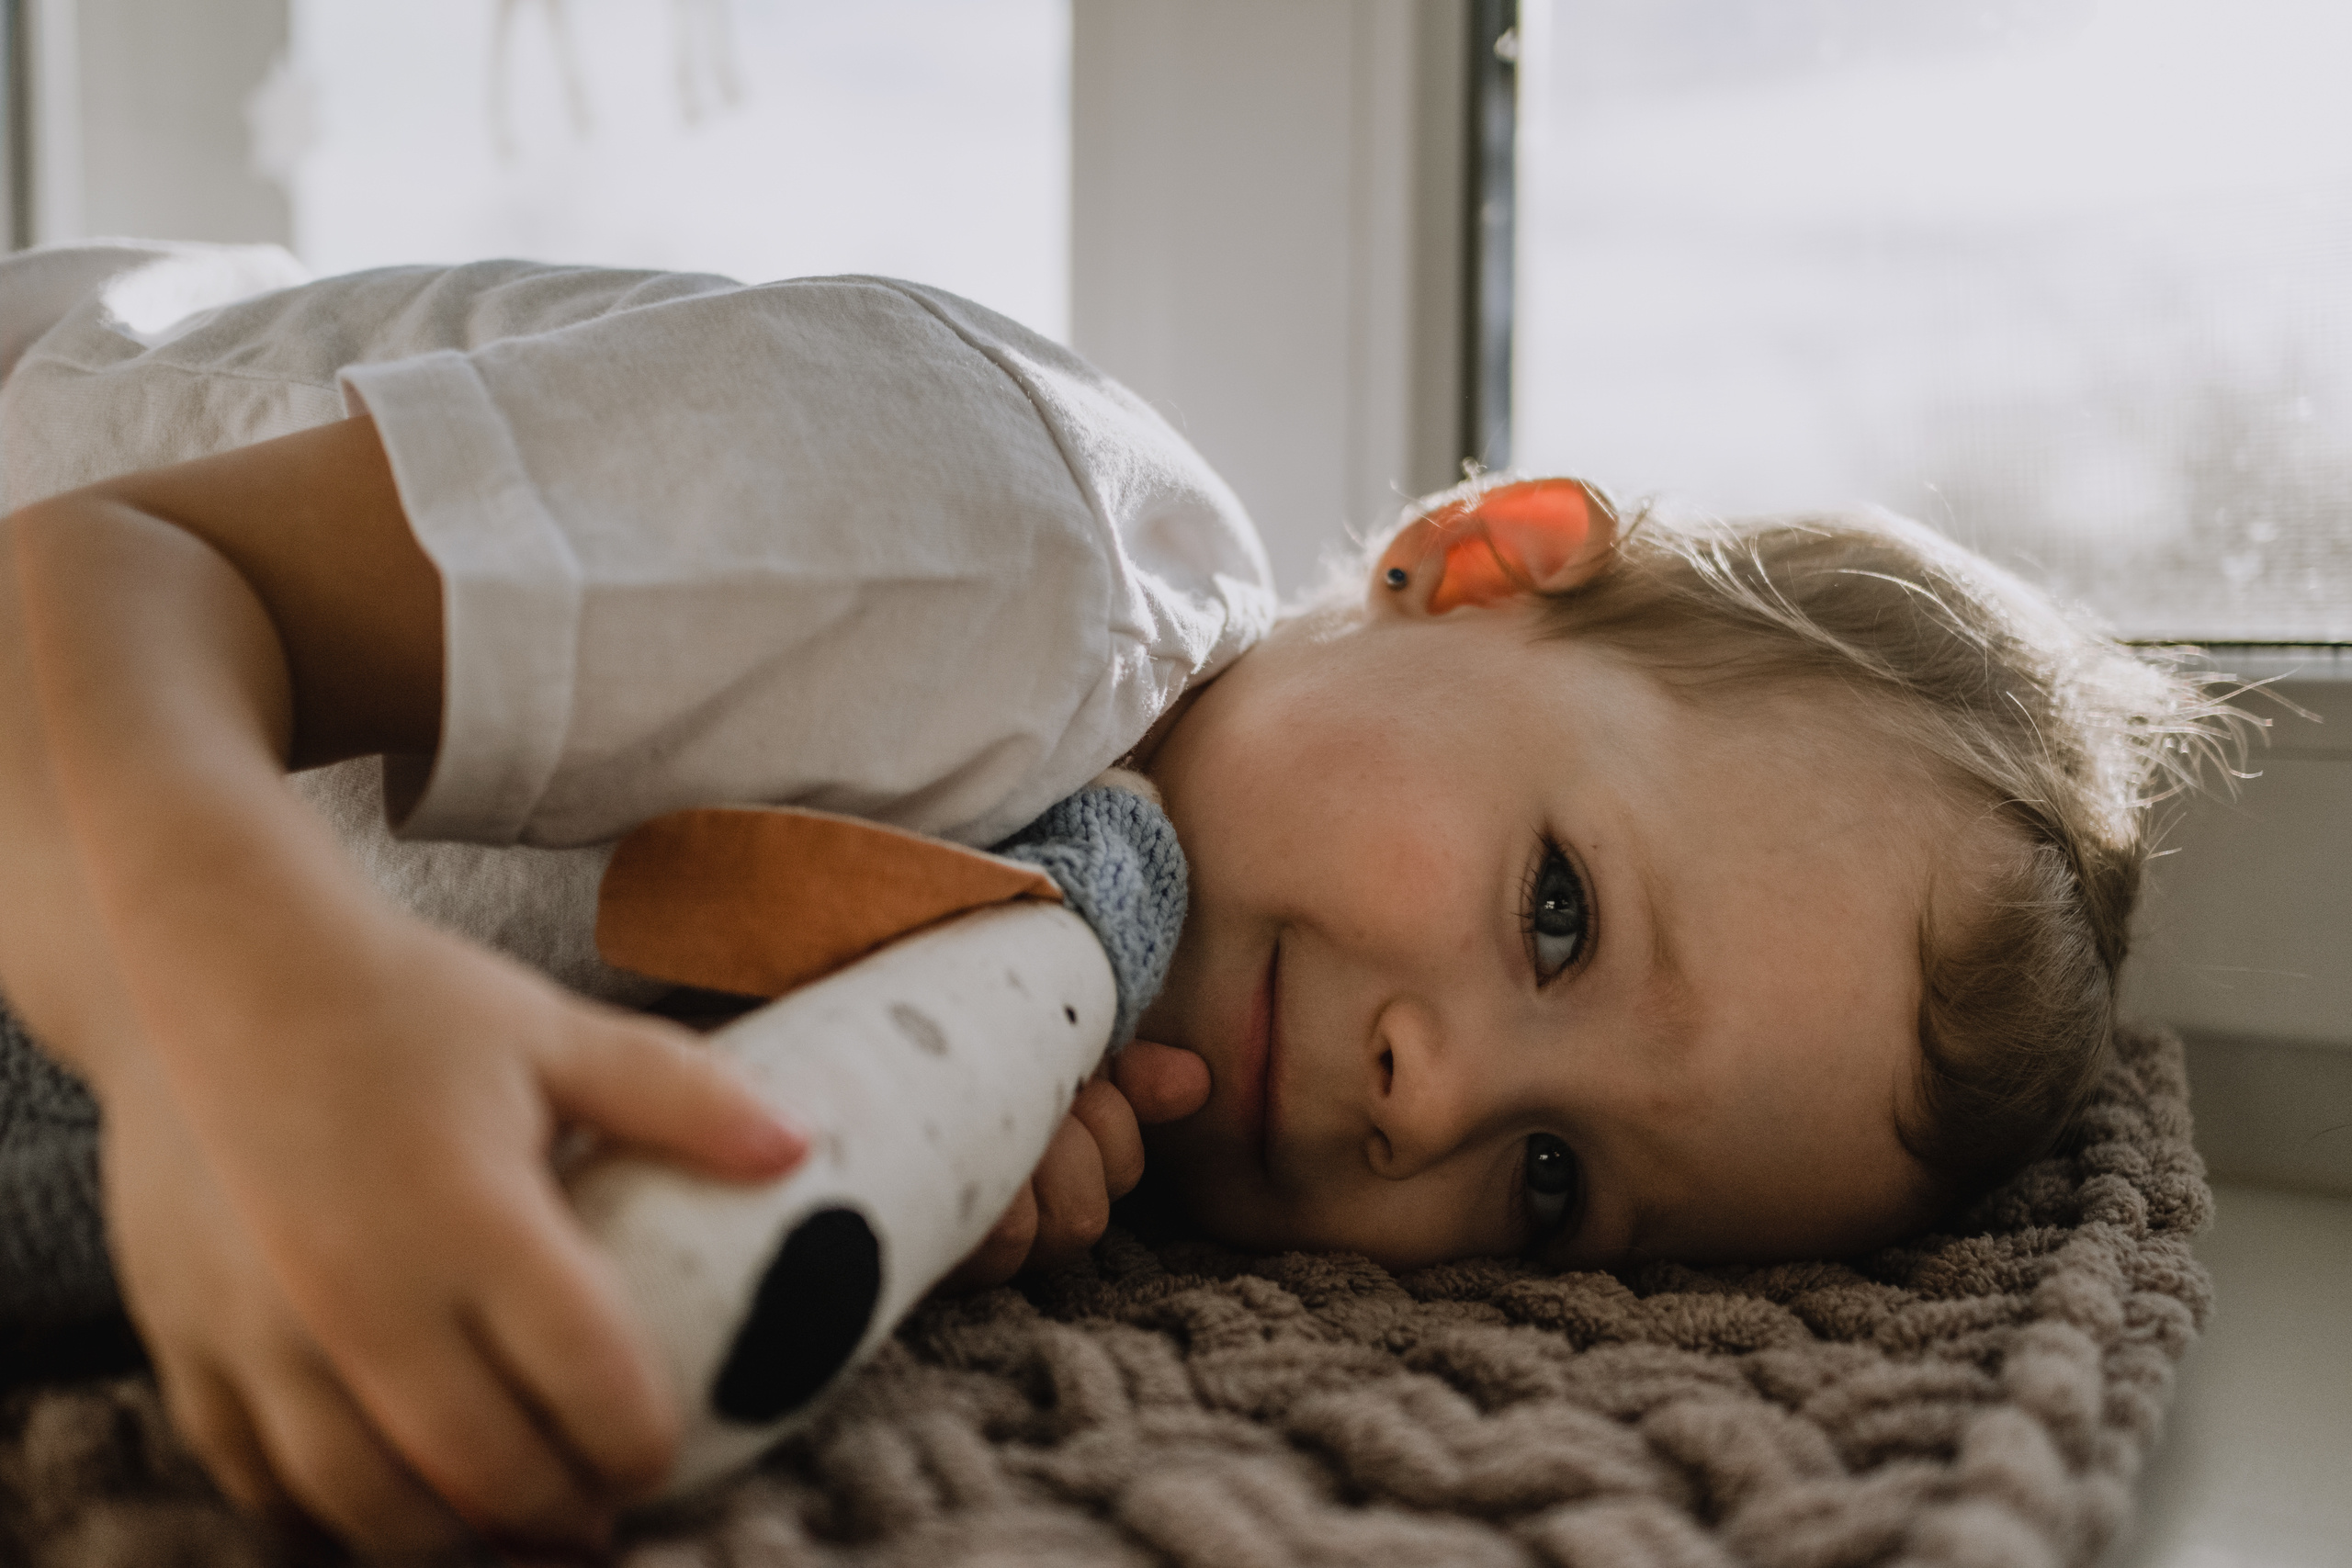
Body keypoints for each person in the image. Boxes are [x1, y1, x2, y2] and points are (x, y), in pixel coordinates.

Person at [0, 243, 2221, 1554]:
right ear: (1481, 559)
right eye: (1554, 912)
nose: (1423, 1090)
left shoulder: (1063, 970)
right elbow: (87, 580)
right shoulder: (1007, 545)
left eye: (1552, 1183)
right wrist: (227, 1021)